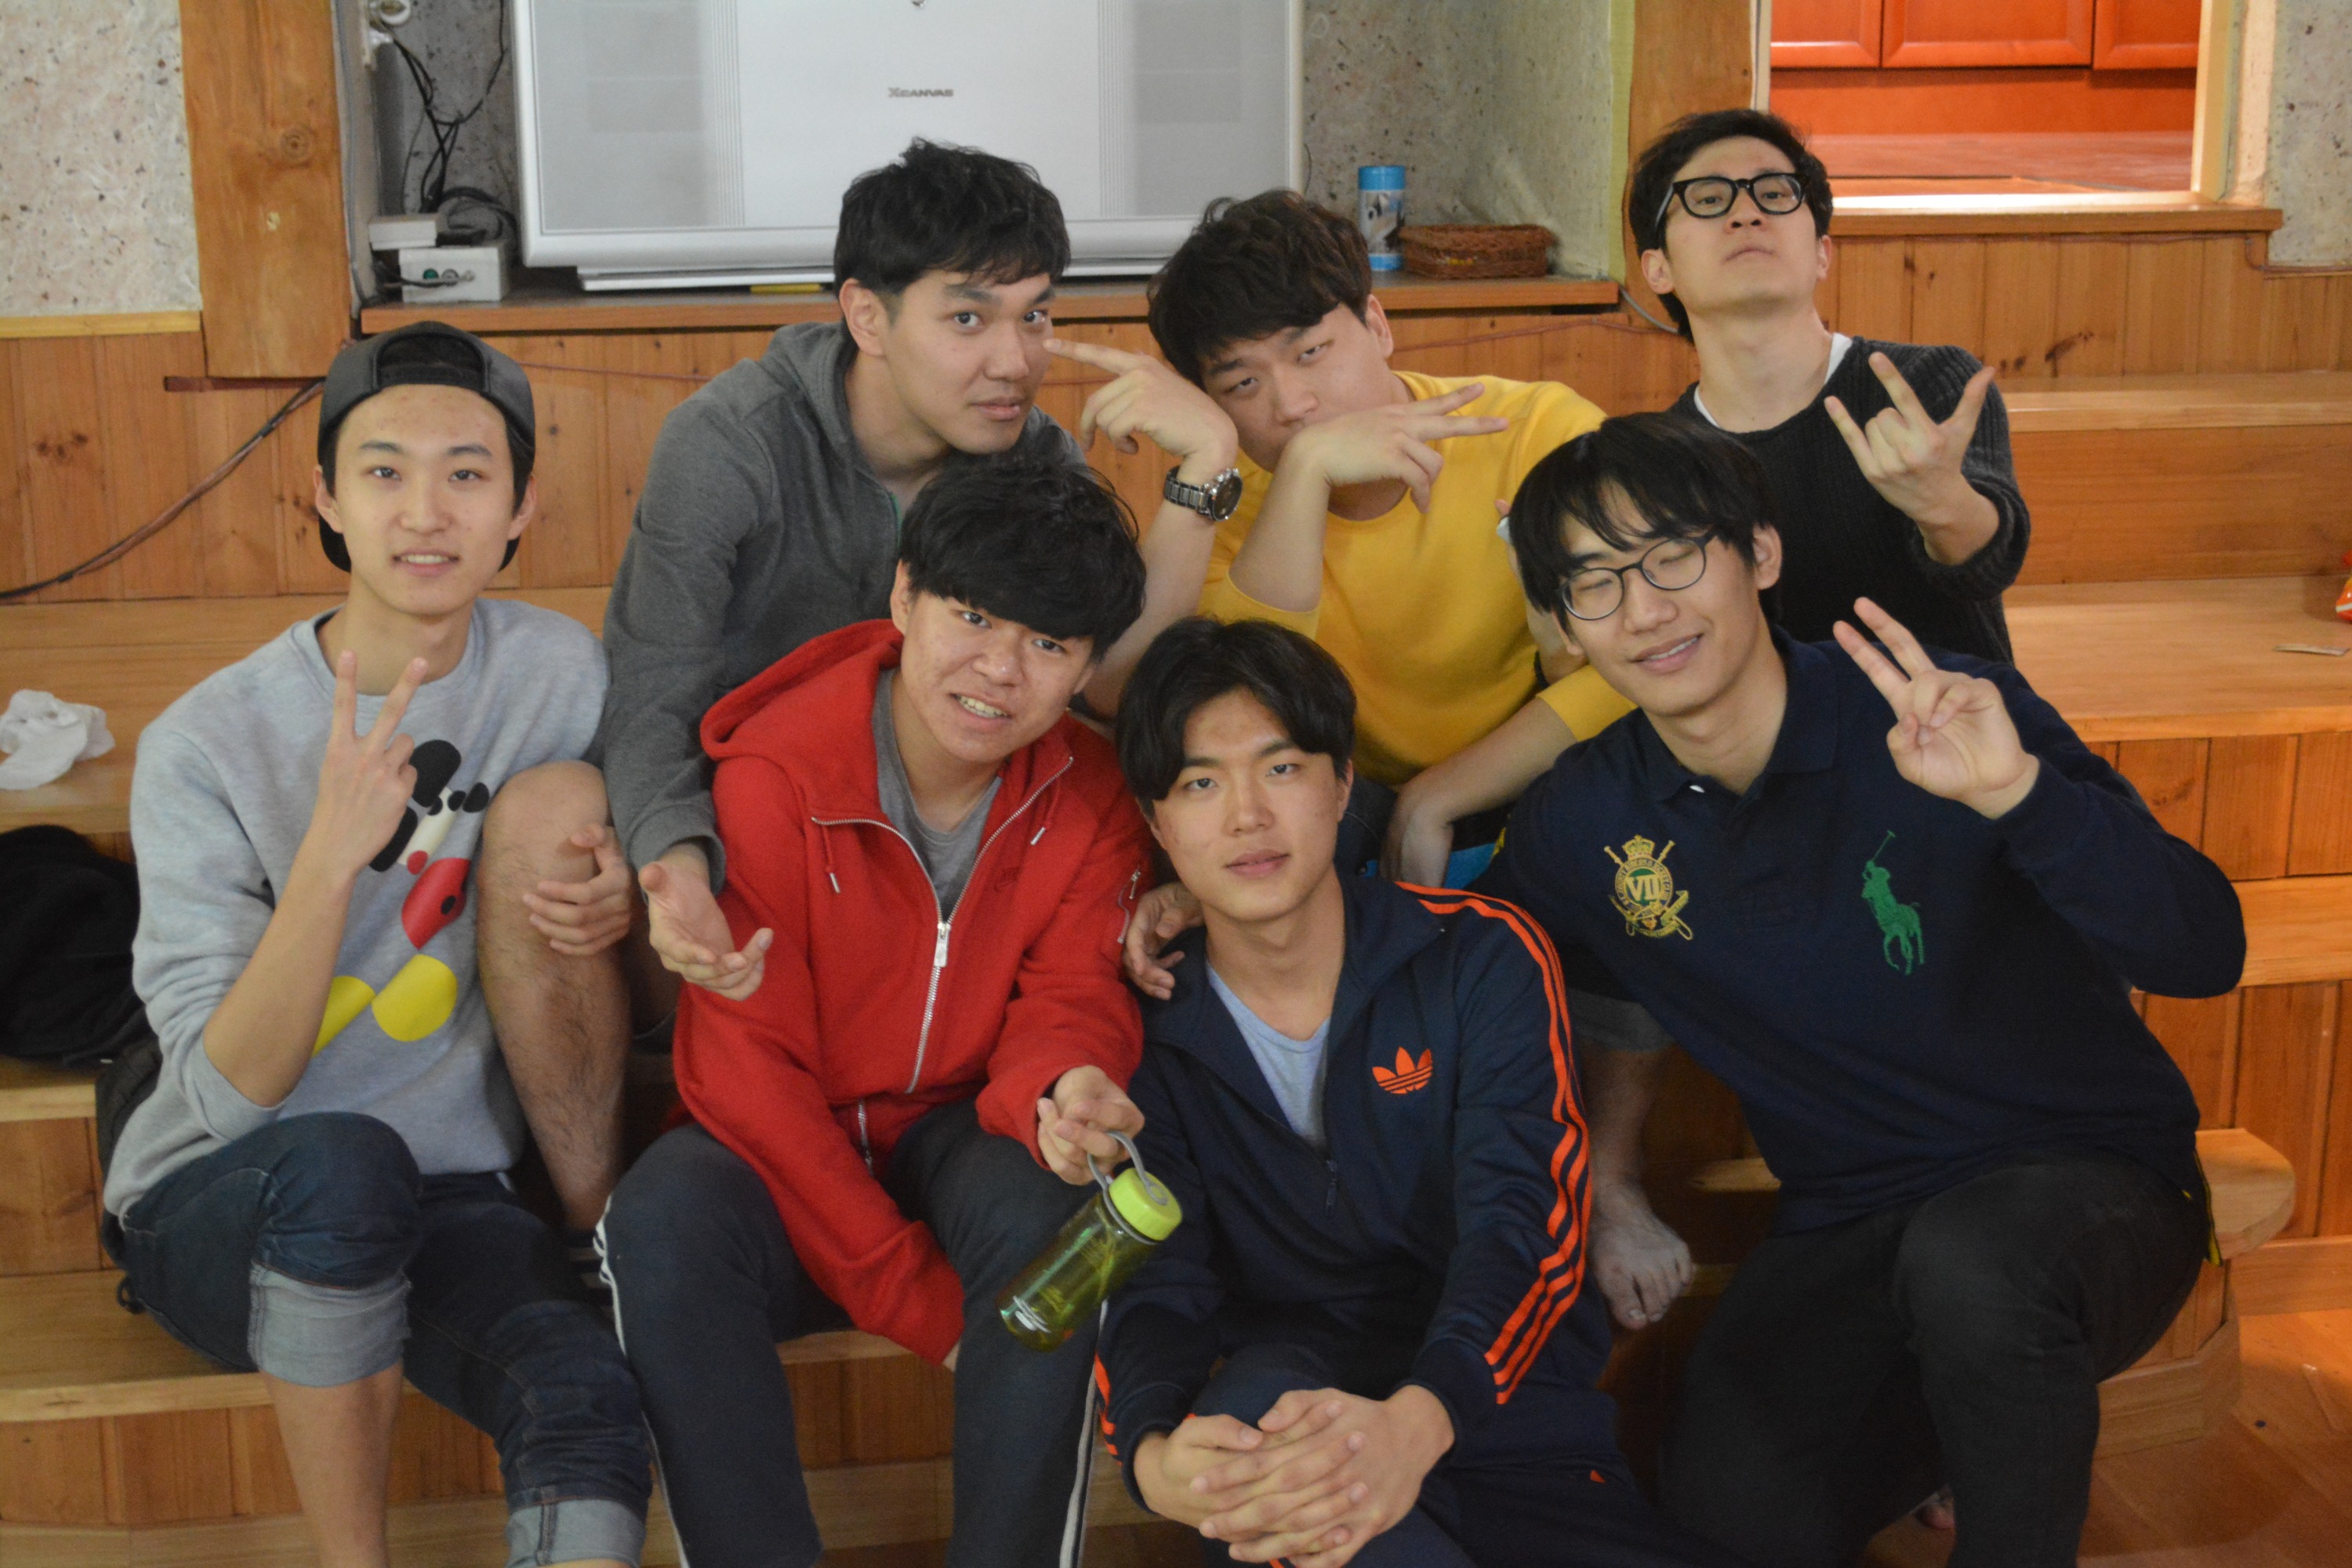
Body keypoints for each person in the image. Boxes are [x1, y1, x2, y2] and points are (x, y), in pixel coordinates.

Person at [1477, 412, 2238, 1568]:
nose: (1644, 610)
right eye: (1595, 582)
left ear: (1761, 552)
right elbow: (1514, 978)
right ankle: (1957, 1426)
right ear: (1566, 625)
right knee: (1730, 1510)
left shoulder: (1942, 707)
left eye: (1673, 555)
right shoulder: (1586, 819)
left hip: (2093, 1183)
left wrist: (2022, 796)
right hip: (1856, 1211)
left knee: (1978, 1270)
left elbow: (2204, 951)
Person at [470, 139, 1187, 1251]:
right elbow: (653, 687)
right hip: (751, 846)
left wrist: (1205, 474)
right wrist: (673, 861)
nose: (1016, 360)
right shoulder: (732, 440)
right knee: (544, 824)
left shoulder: (1039, 462)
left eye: (1037, 316)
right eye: (969, 318)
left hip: (928, 870)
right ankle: (592, 1227)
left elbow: (1091, 685)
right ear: (865, 315)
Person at [100, 323, 652, 1568]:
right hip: (222, 1195)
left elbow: (658, 858)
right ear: (327, 500)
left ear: (521, 508)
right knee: (342, 1163)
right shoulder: (208, 742)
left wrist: (621, 890)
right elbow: (229, 1095)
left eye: (468, 473)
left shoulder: (558, 672)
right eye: (384, 471)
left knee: (585, 1392)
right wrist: (326, 861)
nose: (426, 512)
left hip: (447, 1191)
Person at [597, 455, 1157, 1568]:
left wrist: (1064, 1088)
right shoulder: (777, 772)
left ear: (1090, 666)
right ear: (905, 597)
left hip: (961, 1128)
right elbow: (748, 1077)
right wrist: (920, 1303)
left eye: (1049, 644)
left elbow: (1072, 996)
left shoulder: (1092, 795)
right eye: (974, 616)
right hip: (782, 1147)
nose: (1000, 670)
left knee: (1071, 1220)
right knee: (660, 1220)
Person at [1095, 617, 1743, 1568]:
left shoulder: (1478, 953)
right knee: (1266, 1422)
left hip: (1502, 1410)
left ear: (1342, 784)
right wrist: (1150, 1454)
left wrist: (1423, 1414)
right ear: (1156, 822)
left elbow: (1519, 1221)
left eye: (1282, 768)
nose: (1246, 815)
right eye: (1200, 783)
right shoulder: (1138, 1024)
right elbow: (1156, 1279)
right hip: (1294, 1415)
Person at [1570, 107, 2040, 1337]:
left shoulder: (1917, 387)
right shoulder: (1655, 458)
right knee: (1610, 838)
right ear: (1657, 268)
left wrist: (1939, 497)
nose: (1747, 211)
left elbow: (1987, 553)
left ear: (1822, 246)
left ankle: (2008, 1240)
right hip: (1755, 786)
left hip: (1936, 772)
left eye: (1776, 193)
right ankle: (1610, 1179)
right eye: (1707, 198)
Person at [1058, 189, 1633, 885]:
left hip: (1539, 774)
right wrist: (1307, 472)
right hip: (1349, 815)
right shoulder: (1228, 503)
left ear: (1378, 325)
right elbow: (1216, 705)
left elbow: (1654, 651)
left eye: (1311, 352)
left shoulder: (1535, 432)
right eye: (1242, 384)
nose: (1292, 404)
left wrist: (1439, 796)